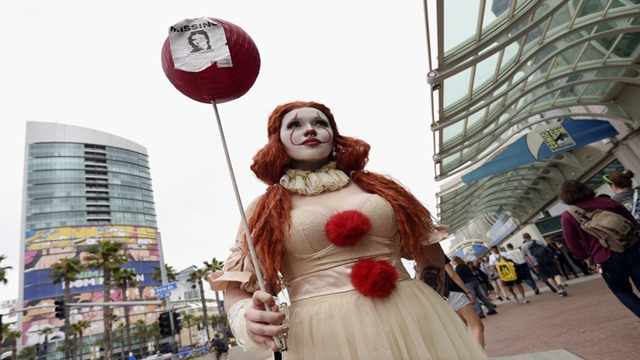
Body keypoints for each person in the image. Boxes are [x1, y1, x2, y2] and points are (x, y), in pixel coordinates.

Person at [208, 101, 487, 359]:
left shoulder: (381, 188)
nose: (310, 130)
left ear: (334, 133)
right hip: (322, 336)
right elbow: (236, 287)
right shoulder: (264, 209)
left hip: (414, 319)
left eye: (320, 123)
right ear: (277, 140)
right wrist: (246, 317)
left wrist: (428, 303)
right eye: (294, 125)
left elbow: (429, 251)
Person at [559, 179, 640, 318]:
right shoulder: (607, 202)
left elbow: (573, 244)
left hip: (606, 258)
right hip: (633, 249)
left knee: (621, 290)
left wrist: (585, 258)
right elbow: (632, 223)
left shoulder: (569, 216)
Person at [443, 256, 486, 348]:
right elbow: (453, 275)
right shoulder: (436, 251)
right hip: (454, 292)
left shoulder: (418, 257)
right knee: (477, 326)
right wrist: (467, 291)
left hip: (442, 297)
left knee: (462, 331)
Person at [521, 233, 568, 297]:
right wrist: (555, 259)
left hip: (537, 263)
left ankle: (558, 291)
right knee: (556, 274)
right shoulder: (538, 241)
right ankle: (559, 283)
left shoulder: (523, 246)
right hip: (547, 260)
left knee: (548, 277)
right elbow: (548, 251)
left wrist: (533, 266)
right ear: (530, 236)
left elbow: (527, 257)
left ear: (524, 238)